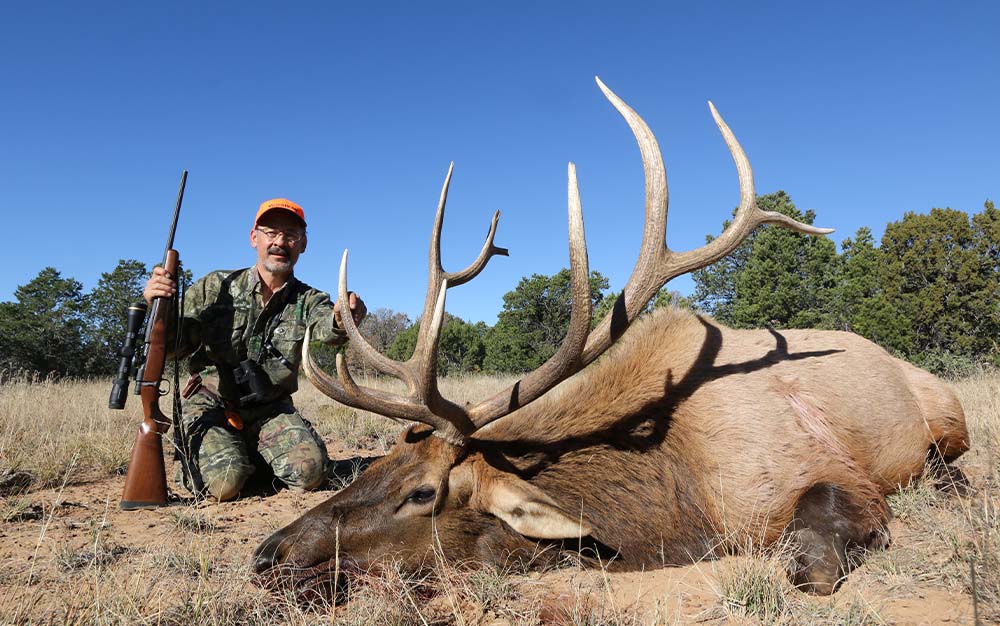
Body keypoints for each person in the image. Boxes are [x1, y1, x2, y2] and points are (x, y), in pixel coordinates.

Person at [143, 198, 366, 501]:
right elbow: (173, 347)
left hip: (270, 412)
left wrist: (343, 318)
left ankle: (251, 455)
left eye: (290, 235)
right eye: (271, 233)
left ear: (303, 244)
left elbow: (329, 330)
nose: (280, 242)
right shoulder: (214, 286)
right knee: (225, 484)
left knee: (310, 474)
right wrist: (158, 308)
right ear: (254, 238)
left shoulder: (309, 300)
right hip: (211, 407)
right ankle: (224, 459)